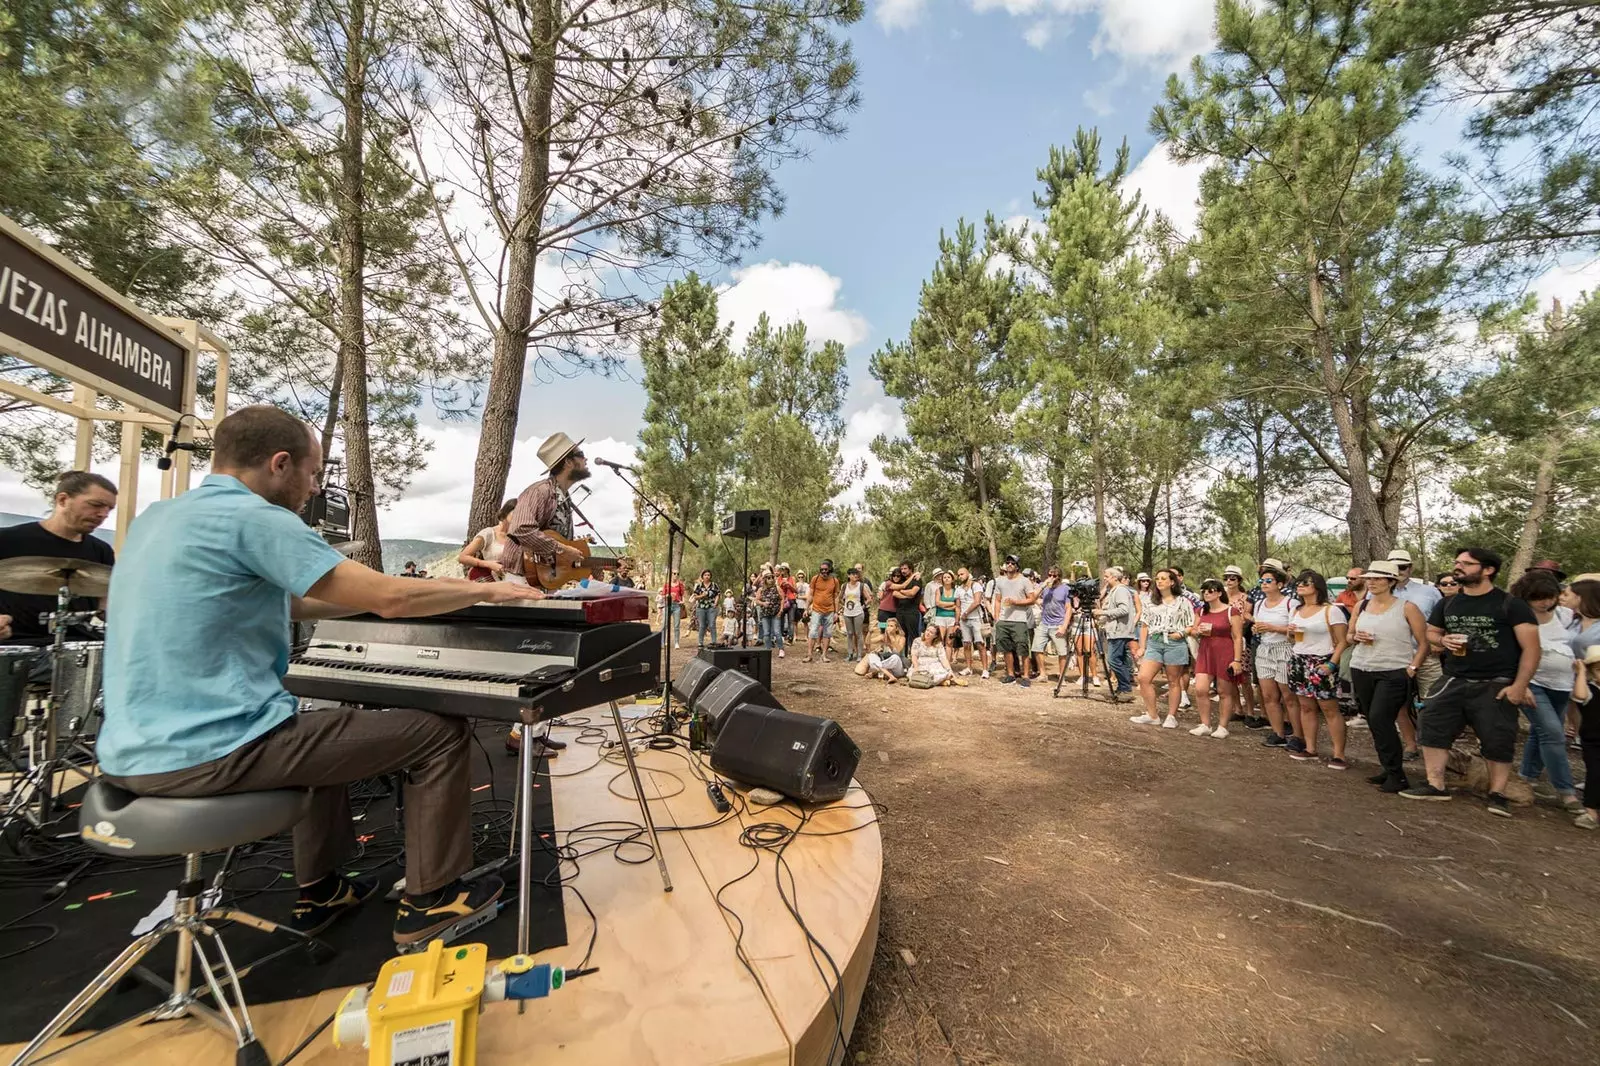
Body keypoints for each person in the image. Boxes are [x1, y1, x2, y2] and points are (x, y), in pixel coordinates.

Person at [97, 405, 546, 945]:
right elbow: (392, 597)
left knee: (325, 724)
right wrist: (486, 590)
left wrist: (372, 605)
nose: (313, 488)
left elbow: (293, 605)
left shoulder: (159, 518)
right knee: (440, 733)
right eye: (312, 474)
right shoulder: (255, 518)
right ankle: (433, 900)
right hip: (208, 752)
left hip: (129, 752)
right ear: (279, 464)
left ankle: (322, 889)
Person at [1402, 547, 1540, 818]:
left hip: (1495, 682)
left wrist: (1519, 686)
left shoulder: (1510, 604)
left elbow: (1532, 649)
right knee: (1433, 726)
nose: (1458, 567)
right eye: (1457, 562)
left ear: (1487, 570)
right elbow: (1431, 632)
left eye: (1466, 563)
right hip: (1453, 678)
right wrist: (1442, 640)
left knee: (1497, 738)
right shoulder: (1449, 602)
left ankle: (1497, 794)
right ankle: (1436, 785)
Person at [0, 471, 117, 668]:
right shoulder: (8, 540)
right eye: (96, 505)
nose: (103, 515)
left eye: (109, 509)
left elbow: (106, 607)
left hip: (80, 648)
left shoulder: (101, 550)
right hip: (19, 647)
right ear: (63, 499)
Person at [1347, 560, 1430, 793]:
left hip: (1394, 670)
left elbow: (1423, 643)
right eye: (1369, 578)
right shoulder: (1361, 606)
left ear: (1391, 581)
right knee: (1375, 721)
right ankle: (1388, 767)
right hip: (1362, 667)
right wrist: (1356, 638)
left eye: (1378, 578)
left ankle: (1397, 775)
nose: (1371, 582)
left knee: (1381, 718)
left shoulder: (1407, 607)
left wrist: (1412, 668)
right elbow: (1349, 636)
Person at [1507, 569, 1584, 813]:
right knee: (1553, 733)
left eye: (1549, 596)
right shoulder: (1518, 615)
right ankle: (1567, 793)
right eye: (1538, 597)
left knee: (1540, 733)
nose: (1545, 602)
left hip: (1563, 684)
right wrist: (1522, 685)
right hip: (1533, 683)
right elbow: (1509, 653)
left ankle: (1526, 777)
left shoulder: (1565, 615)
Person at [1285, 570, 1350, 767]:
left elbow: (1342, 641)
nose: (1300, 585)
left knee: (1329, 708)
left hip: (1322, 661)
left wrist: (1332, 664)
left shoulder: (1331, 611)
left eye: (1306, 582)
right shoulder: (1296, 610)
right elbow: (1292, 639)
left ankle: (1339, 754)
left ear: (1317, 586)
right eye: (1298, 582)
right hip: (1299, 660)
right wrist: (1290, 634)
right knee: (1305, 706)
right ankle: (1310, 749)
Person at [1245, 559, 1299, 748]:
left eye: (1269, 581)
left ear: (1280, 584)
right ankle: (1278, 733)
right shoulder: (1259, 604)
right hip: (1264, 650)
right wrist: (1256, 629)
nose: (1264, 584)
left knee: (1288, 696)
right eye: (1262, 581)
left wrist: (1272, 627)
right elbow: (1258, 625)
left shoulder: (1290, 603)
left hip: (1285, 649)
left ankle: (1297, 735)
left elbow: (1295, 631)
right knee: (1268, 695)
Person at [1131, 569, 1194, 727]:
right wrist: (1142, 647)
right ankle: (1152, 715)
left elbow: (1191, 624)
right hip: (1155, 641)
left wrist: (1180, 633)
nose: (1159, 581)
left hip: (1174, 643)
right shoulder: (1151, 602)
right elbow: (1145, 625)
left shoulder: (1183, 602)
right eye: (1157, 578)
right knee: (1144, 677)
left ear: (1172, 582)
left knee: (1174, 681)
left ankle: (1171, 716)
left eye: (1163, 578)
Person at [1189, 579, 1245, 738]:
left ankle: (1222, 726)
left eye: (1211, 590)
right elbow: (1193, 629)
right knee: (1200, 689)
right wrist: (1196, 631)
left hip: (1225, 652)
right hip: (1205, 651)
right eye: (1204, 590)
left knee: (1224, 691)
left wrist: (1237, 660)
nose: (1206, 593)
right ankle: (1205, 724)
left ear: (1220, 593)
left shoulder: (1231, 611)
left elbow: (1237, 636)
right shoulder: (1201, 611)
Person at [1222, 565, 1262, 725]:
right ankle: (1237, 709)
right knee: (1228, 676)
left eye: (1232, 578)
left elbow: (1246, 617)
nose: (1229, 581)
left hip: (1242, 640)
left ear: (1239, 580)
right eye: (1226, 578)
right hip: (1224, 640)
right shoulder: (1221, 596)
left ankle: (1250, 711)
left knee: (1244, 678)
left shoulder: (1245, 598)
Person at [989, 555, 1037, 687]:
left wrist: (1016, 602)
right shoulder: (1000, 581)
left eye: (1012, 563)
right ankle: (1010, 674)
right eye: (1007, 562)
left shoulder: (1024, 581)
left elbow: (1032, 599)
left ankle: (1025, 676)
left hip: (1019, 620)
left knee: (1022, 648)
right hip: (1003, 620)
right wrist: (996, 617)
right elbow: (998, 600)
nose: (1009, 565)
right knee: (1006, 648)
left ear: (1017, 566)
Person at [1094, 566, 1138, 695]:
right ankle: (1123, 687)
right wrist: (1100, 617)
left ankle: (1125, 687)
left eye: (1107, 576)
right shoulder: (1114, 590)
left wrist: (1103, 612)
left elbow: (1124, 610)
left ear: (1114, 577)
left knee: (1113, 660)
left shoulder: (1120, 591)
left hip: (1119, 631)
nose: (1105, 579)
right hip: (1117, 629)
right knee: (1120, 659)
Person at [1570, 646, 1600, 830]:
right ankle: (1590, 812)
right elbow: (1579, 695)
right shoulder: (1590, 690)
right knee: (1595, 774)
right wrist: (1581, 672)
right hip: (1594, 742)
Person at [458, 500, 517, 582]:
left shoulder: (522, 536)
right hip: (492, 582)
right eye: (516, 513)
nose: (519, 518)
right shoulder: (489, 533)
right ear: (505, 513)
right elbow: (463, 557)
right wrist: (489, 564)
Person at [1036, 565, 1072, 683]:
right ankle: (1042, 674)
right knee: (1037, 648)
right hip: (1044, 622)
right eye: (1050, 575)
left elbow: (1068, 609)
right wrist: (1043, 586)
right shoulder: (1045, 588)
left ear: (1059, 577)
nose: (1051, 577)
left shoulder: (1065, 589)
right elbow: (1033, 597)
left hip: (1058, 624)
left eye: (1054, 575)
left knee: (1062, 652)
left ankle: (1062, 676)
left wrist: (1064, 627)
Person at [953, 567, 988, 678]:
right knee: (966, 644)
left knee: (980, 644)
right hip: (964, 620)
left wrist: (966, 613)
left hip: (976, 619)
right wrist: (957, 621)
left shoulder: (976, 585)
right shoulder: (958, 589)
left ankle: (985, 669)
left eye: (962, 574)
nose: (960, 576)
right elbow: (958, 606)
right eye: (958, 575)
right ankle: (968, 667)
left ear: (968, 574)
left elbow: (977, 602)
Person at [858, 618, 907, 682]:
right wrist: (870, 632)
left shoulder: (901, 638)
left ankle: (876, 672)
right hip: (886, 665)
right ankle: (890, 675)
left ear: (896, 628)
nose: (888, 628)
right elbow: (868, 642)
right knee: (871, 656)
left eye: (891, 626)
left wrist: (890, 637)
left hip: (898, 667)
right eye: (887, 626)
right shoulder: (883, 636)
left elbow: (897, 651)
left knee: (895, 657)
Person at [840, 566, 867, 662]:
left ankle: (859, 655)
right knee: (849, 633)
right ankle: (850, 653)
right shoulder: (844, 586)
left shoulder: (861, 585)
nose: (856, 575)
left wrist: (863, 606)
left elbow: (869, 598)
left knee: (858, 633)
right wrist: (844, 606)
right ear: (849, 575)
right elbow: (840, 598)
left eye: (857, 574)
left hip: (858, 613)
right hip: (847, 613)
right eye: (853, 574)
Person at [890, 561, 923, 641]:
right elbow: (894, 592)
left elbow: (912, 593)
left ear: (911, 569)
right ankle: (902, 654)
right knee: (901, 636)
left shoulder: (917, 580)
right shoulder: (900, 580)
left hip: (912, 612)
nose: (903, 571)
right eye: (901, 569)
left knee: (913, 635)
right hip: (900, 612)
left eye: (905, 569)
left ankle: (913, 653)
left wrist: (901, 591)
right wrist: (906, 593)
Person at [756, 569, 784, 654]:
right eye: (768, 578)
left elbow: (782, 599)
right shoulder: (761, 589)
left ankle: (781, 649)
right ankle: (768, 649)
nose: (771, 579)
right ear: (765, 579)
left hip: (775, 613)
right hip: (765, 614)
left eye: (772, 577)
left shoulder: (777, 588)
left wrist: (781, 610)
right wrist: (763, 603)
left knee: (777, 632)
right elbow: (757, 600)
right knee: (766, 632)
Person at [932, 568, 959, 651]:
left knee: (949, 642)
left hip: (952, 617)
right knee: (939, 640)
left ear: (952, 579)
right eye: (945, 577)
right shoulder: (939, 590)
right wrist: (951, 604)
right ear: (942, 580)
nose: (946, 579)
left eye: (948, 577)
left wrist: (957, 622)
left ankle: (948, 662)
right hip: (940, 616)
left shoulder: (956, 591)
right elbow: (937, 603)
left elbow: (957, 607)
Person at [692, 569, 720, 650]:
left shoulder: (714, 585)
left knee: (712, 624)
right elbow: (695, 597)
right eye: (705, 575)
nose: (707, 576)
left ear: (710, 576)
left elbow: (718, 594)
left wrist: (716, 603)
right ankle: (700, 642)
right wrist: (702, 595)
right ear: (702, 576)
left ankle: (714, 641)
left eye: (708, 575)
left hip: (711, 607)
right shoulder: (699, 586)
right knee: (702, 625)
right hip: (701, 607)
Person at [659, 570, 685, 648]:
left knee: (676, 625)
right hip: (668, 604)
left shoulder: (680, 585)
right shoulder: (666, 585)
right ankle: (662, 642)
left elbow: (682, 595)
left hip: (676, 605)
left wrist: (682, 601)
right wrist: (668, 595)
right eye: (674, 573)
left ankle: (676, 642)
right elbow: (663, 596)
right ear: (671, 574)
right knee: (664, 624)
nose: (676, 575)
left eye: (677, 574)